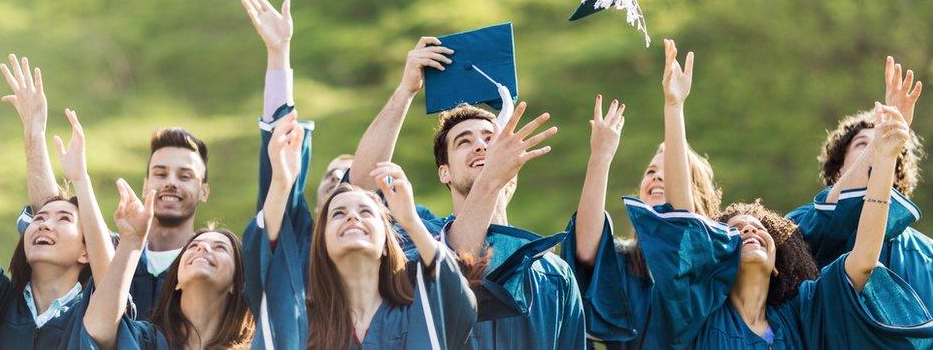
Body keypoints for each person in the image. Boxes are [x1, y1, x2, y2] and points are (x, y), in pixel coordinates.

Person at [631, 41, 933, 348]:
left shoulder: (802, 315)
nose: (749, 228)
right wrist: (674, 107)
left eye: (759, 228)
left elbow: (863, 261)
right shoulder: (700, 313)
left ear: (778, 260)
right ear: (720, 257)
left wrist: (884, 157)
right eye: (735, 230)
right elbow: (684, 221)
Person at [347, 37, 586, 349]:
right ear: (444, 171)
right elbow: (363, 187)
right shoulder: (416, 245)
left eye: (490, 138)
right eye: (463, 141)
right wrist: (406, 90)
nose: (481, 145)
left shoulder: (553, 274)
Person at [2, 53, 213, 320]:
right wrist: (34, 134)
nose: (171, 182)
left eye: (185, 176)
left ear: (205, 190)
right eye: (161, 173)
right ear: (146, 184)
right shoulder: (111, 250)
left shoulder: (208, 261)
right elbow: (51, 209)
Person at [243, 114, 478, 349]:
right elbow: (264, 263)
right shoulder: (299, 321)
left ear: (387, 242)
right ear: (322, 242)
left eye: (366, 212)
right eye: (338, 213)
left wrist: (410, 221)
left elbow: (459, 301)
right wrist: (281, 183)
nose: (353, 216)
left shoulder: (420, 311)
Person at [560, 41, 723, 347]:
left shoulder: (710, 257)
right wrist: (600, 158)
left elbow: (681, 222)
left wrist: (674, 107)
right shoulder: (623, 261)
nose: (657, 176)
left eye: (670, 171)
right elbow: (584, 250)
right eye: (650, 171)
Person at [0, 60, 115, 348]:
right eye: (39, 218)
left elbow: (111, 281)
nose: (43, 222)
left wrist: (81, 180)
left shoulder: (93, 315)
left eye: (64, 219)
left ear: (86, 251)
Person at [787, 56, 933, 314]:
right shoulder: (799, 225)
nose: (876, 147)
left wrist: (889, 147)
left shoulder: (928, 256)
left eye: (880, 143)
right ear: (840, 168)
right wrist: (884, 138)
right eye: (861, 145)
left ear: (897, 172)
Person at [82, 180, 253, 349]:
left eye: (220, 248)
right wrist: (131, 241)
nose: (203, 246)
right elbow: (98, 329)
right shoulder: (145, 341)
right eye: (193, 246)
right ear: (176, 279)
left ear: (236, 282)